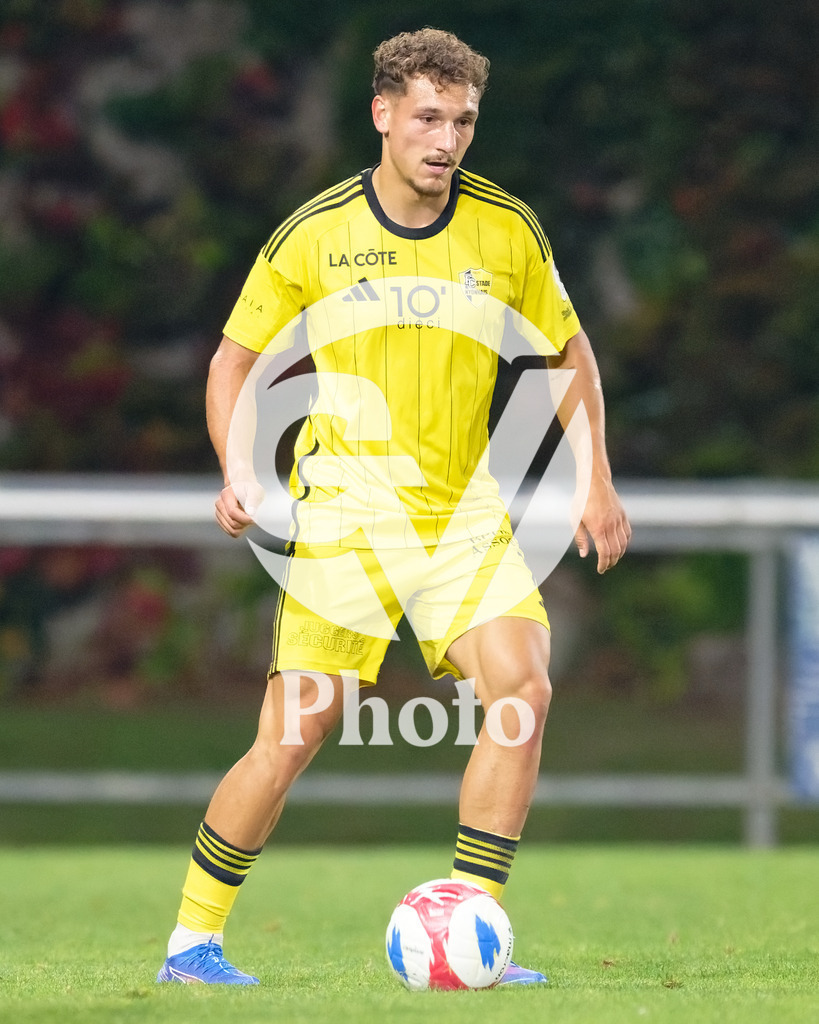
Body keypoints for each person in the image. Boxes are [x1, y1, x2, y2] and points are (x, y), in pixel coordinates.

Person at [157, 27, 631, 987]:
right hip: (344, 517)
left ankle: (469, 925)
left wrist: (596, 477)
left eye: (461, 120)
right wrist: (241, 468)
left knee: (522, 694)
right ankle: (190, 943)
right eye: (427, 117)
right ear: (382, 115)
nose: (445, 139)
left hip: (462, 520)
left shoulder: (507, 229)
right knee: (290, 738)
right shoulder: (315, 231)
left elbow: (567, 352)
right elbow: (232, 362)